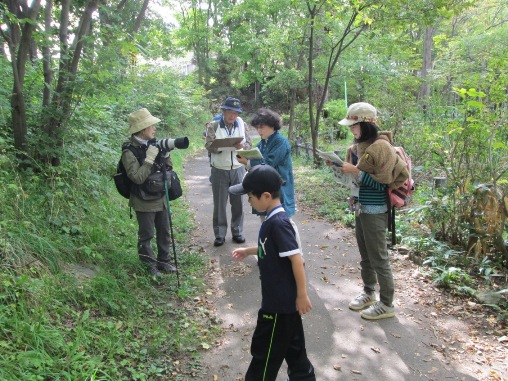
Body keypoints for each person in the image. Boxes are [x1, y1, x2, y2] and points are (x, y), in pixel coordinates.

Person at [228, 164, 316, 381]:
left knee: (264, 355)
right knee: (294, 351)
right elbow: (274, 250)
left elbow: (296, 260)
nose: (248, 200)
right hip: (284, 306)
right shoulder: (272, 219)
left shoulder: (278, 223)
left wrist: (302, 294)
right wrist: (250, 251)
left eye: (250, 196)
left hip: (277, 306)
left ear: (266, 196)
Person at [330, 102, 408, 320]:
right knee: (366, 256)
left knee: (379, 258)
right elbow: (355, 179)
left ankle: (387, 303)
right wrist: (340, 168)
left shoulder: (381, 147)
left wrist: (355, 171)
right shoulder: (357, 148)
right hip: (361, 208)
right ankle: (368, 292)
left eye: (354, 126)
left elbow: (384, 184)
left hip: (376, 210)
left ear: (366, 124)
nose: (351, 131)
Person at [122, 108, 177, 278]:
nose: (154, 128)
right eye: (151, 126)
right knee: (147, 235)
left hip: (160, 196)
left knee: (164, 231)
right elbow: (137, 178)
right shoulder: (129, 152)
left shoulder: (154, 144)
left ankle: (164, 261)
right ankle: (149, 266)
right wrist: (149, 159)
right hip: (143, 199)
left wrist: (165, 155)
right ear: (142, 129)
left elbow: (168, 168)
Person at [205, 97, 252, 246]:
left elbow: (249, 144)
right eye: (230, 112)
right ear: (224, 111)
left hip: (238, 169)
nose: (233, 116)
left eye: (235, 113)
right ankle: (219, 234)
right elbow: (209, 146)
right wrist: (221, 146)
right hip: (219, 169)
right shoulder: (214, 125)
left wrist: (242, 146)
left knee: (237, 202)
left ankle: (237, 231)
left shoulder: (242, 124)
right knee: (219, 204)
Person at [236, 108, 295, 217]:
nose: (259, 131)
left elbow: (268, 165)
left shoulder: (280, 142)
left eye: (262, 127)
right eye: (257, 127)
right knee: (268, 222)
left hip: (279, 188)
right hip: (264, 189)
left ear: (272, 125)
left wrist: (248, 162)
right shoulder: (261, 143)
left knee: (284, 223)